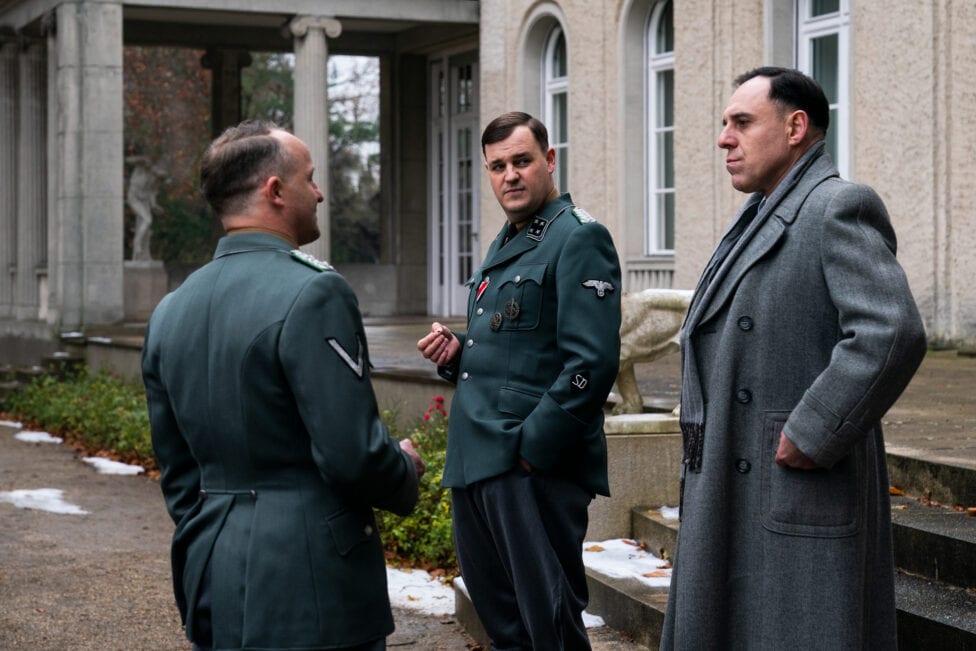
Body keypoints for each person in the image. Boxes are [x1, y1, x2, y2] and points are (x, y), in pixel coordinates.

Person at [661, 68, 927, 648]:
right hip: (738, 479)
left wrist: (813, 430)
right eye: (724, 124)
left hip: (795, 482)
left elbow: (892, 329)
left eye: (742, 122)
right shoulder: (758, 215)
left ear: (795, 126)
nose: (724, 138)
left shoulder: (838, 206)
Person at [142, 120, 425, 651]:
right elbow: (353, 455)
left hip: (211, 570)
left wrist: (221, 530)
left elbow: (178, 472)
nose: (319, 194)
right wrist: (403, 468)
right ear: (275, 191)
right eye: (310, 179)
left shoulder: (169, 310)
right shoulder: (314, 293)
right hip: (311, 581)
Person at [418, 111, 621, 649]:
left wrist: (531, 450)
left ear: (549, 161)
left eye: (522, 161)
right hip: (479, 456)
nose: (510, 175)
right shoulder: (509, 240)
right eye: (498, 165)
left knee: (547, 622)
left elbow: (592, 364)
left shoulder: (578, 237)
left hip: (527, 464)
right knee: (503, 623)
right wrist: (458, 352)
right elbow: (516, 344)